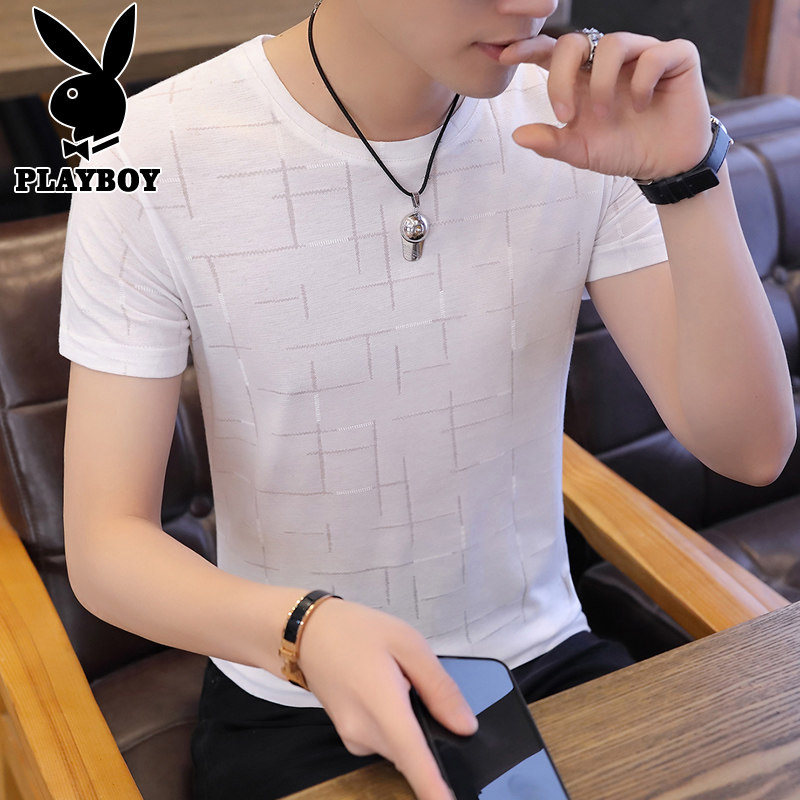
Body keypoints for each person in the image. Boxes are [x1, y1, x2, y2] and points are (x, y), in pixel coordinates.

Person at [59, 1, 796, 799]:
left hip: (547, 665)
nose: (533, 3)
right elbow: (106, 545)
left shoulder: (581, 122)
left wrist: (687, 176)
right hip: (292, 689)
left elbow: (751, 450)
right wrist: (306, 626)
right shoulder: (150, 149)